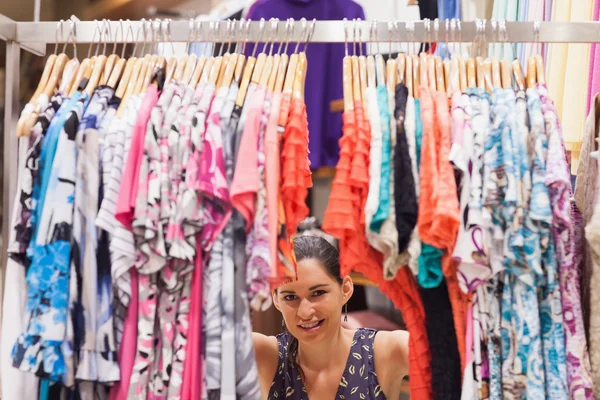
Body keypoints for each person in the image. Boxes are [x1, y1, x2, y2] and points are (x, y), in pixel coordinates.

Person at [253, 235, 410, 399]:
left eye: (318, 293)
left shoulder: (387, 351)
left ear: (346, 290)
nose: (305, 312)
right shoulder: (264, 354)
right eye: (290, 297)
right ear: (276, 299)